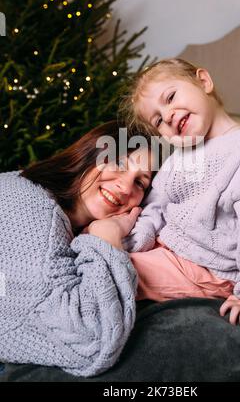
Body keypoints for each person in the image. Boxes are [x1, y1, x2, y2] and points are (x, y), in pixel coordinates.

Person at [119, 58, 240, 329]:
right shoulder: (179, 158)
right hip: (169, 247)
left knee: (118, 271)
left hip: (207, 267)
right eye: (158, 120)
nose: (167, 116)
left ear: (204, 81)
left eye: (170, 97)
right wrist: (137, 237)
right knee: (99, 244)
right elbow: (156, 205)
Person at [0, 120, 154, 377]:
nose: (126, 187)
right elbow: (89, 340)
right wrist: (106, 237)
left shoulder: (59, 221)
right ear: (91, 154)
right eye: (119, 163)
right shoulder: (28, 202)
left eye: (140, 183)